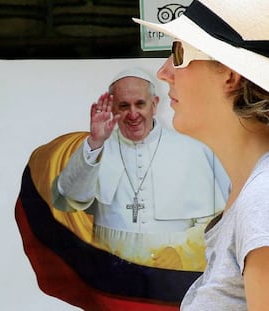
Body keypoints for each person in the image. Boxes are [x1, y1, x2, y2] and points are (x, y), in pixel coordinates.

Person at [133, 0, 269, 309]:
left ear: (230, 75)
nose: (164, 71)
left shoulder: (262, 198)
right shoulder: (254, 194)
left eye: (179, 52)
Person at [51, 68, 229, 271]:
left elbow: (215, 223)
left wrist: (181, 253)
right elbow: (71, 198)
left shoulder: (192, 150)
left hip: (173, 272)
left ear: (154, 105)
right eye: (124, 106)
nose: (133, 114)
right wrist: (95, 141)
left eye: (140, 104)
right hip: (112, 269)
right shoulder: (98, 148)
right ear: (113, 109)